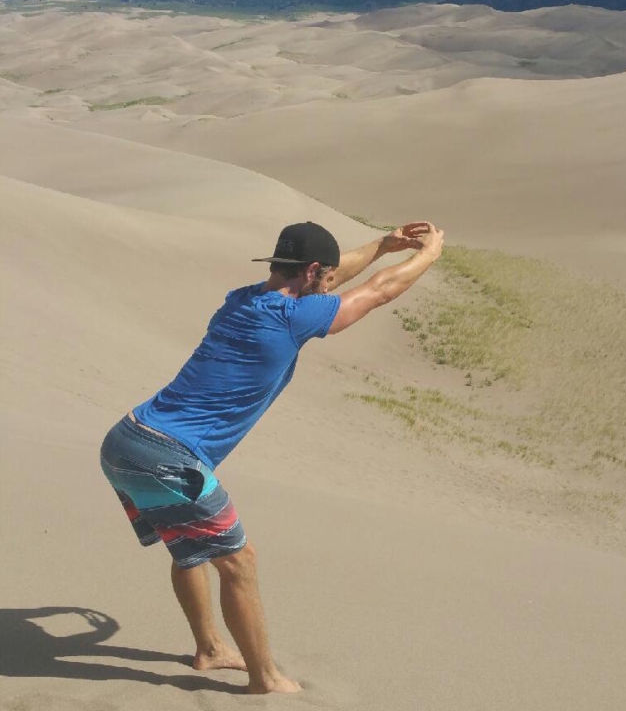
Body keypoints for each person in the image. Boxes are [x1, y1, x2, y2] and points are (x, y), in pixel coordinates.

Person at [100, 218, 444, 694]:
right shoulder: (293, 317)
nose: (327, 284)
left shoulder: (241, 299)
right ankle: (266, 680)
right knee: (239, 561)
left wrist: (384, 245)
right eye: (323, 277)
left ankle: (210, 649)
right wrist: (428, 256)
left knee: (190, 546)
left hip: (126, 440)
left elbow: (331, 278)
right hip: (168, 454)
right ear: (311, 272)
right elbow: (379, 291)